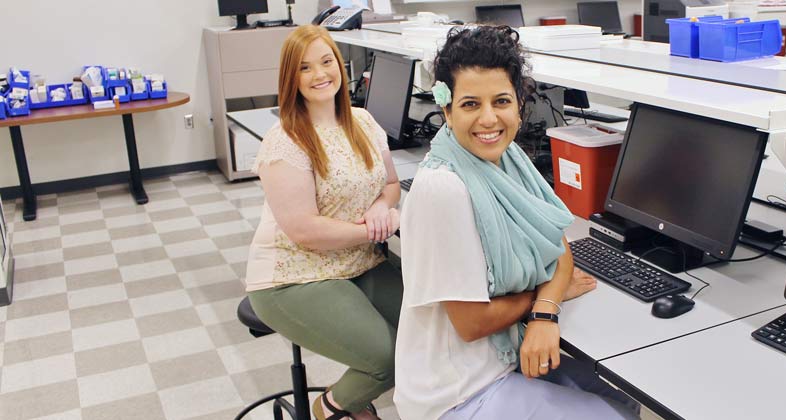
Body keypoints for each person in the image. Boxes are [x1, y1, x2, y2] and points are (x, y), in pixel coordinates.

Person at [394, 26, 641, 420]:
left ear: (520, 105)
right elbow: (472, 323)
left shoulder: (508, 159)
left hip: (502, 354)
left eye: (502, 101)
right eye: (471, 104)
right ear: (446, 110)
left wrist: (545, 311)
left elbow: (558, 250)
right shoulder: (443, 188)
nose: (489, 119)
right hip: (456, 389)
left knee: (625, 403)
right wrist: (542, 303)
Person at [244, 25, 403, 420]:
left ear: (340, 64)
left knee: (432, 328)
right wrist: (371, 230)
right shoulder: (285, 141)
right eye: (305, 68)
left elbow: (392, 183)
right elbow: (304, 231)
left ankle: (355, 401)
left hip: (358, 262)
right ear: (291, 79)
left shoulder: (364, 122)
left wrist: (383, 207)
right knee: (386, 358)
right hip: (293, 277)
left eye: (327, 61)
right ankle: (329, 409)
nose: (320, 75)